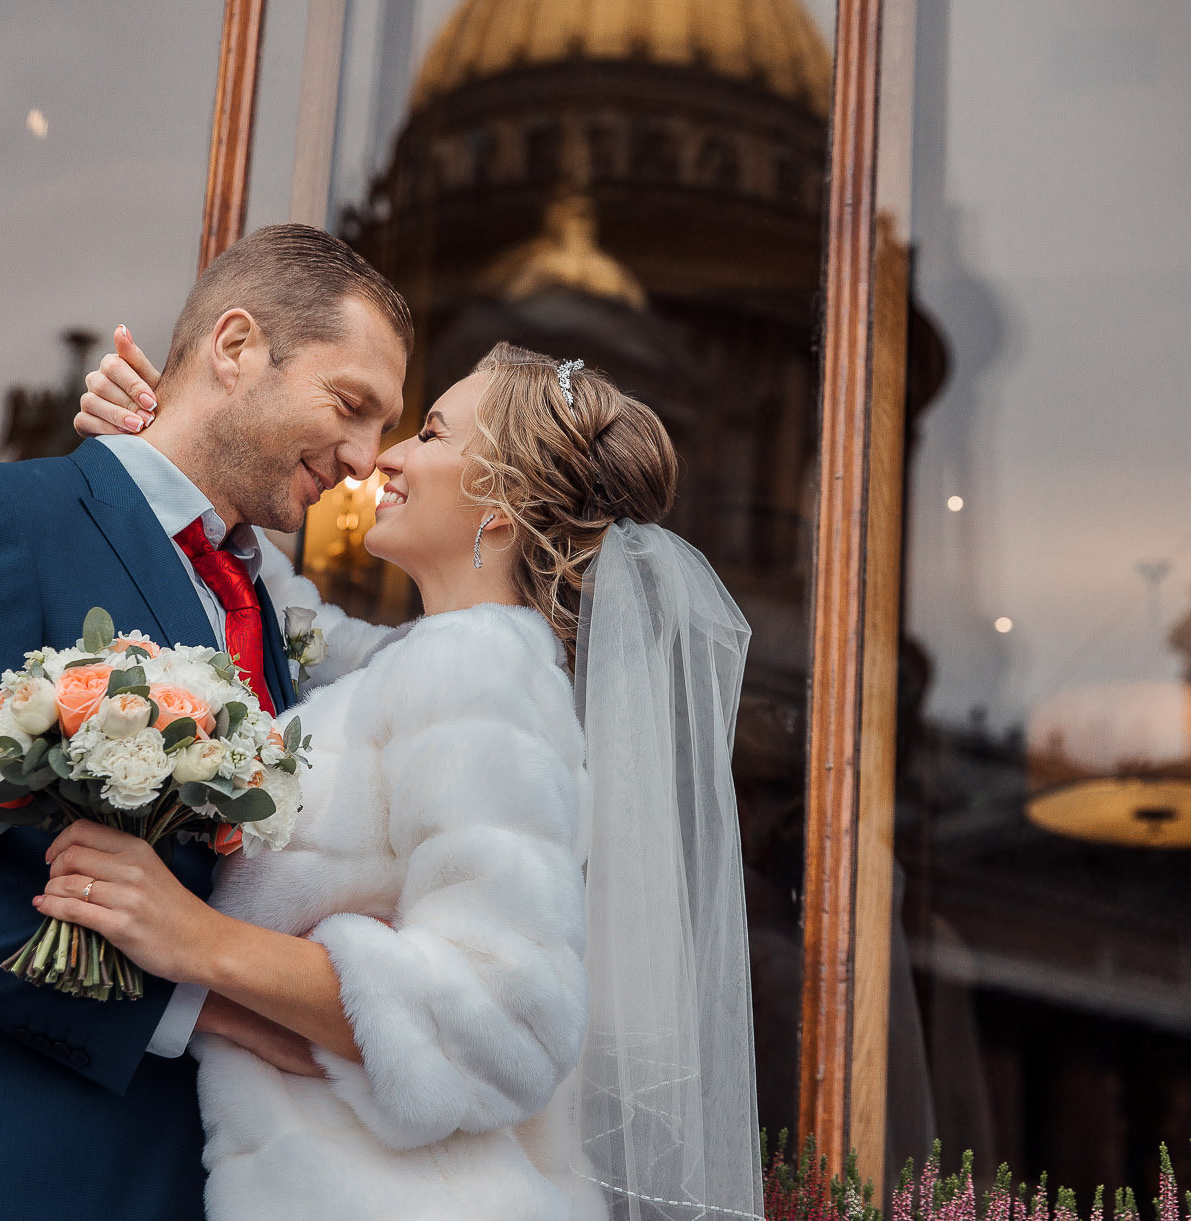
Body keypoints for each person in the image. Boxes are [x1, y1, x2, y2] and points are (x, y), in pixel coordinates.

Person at [64, 338, 763, 1218]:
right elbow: (289, 616)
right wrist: (166, 443)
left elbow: (509, 1024)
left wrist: (195, 938)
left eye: (430, 433)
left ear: (501, 505)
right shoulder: (433, 665)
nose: (387, 456)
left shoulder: (477, 679)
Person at [0, 224, 410, 1220]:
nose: (362, 459)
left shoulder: (274, 614)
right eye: (350, 407)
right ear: (234, 347)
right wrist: (192, 1003)